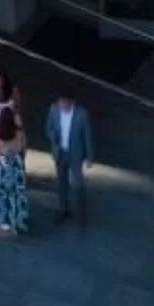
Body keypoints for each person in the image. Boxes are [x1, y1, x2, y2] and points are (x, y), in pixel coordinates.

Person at [45, 94, 93, 225]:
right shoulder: (53, 109)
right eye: (60, 102)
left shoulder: (81, 114)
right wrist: (52, 136)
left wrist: (89, 156)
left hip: (75, 154)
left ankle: (82, 214)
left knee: (77, 184)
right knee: (61, 182)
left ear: (72, 102)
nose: (62, 106)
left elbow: (86, 135)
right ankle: (63, 209)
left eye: (65, 103)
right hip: (60, 153)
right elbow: (48, 127)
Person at [0, 100, 33, 236]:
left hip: (3, 165)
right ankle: (19, 220)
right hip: (16, 164)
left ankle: (5, 220)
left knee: (3, 194)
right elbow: (23, 149)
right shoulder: (19, 134)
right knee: (18, 194)